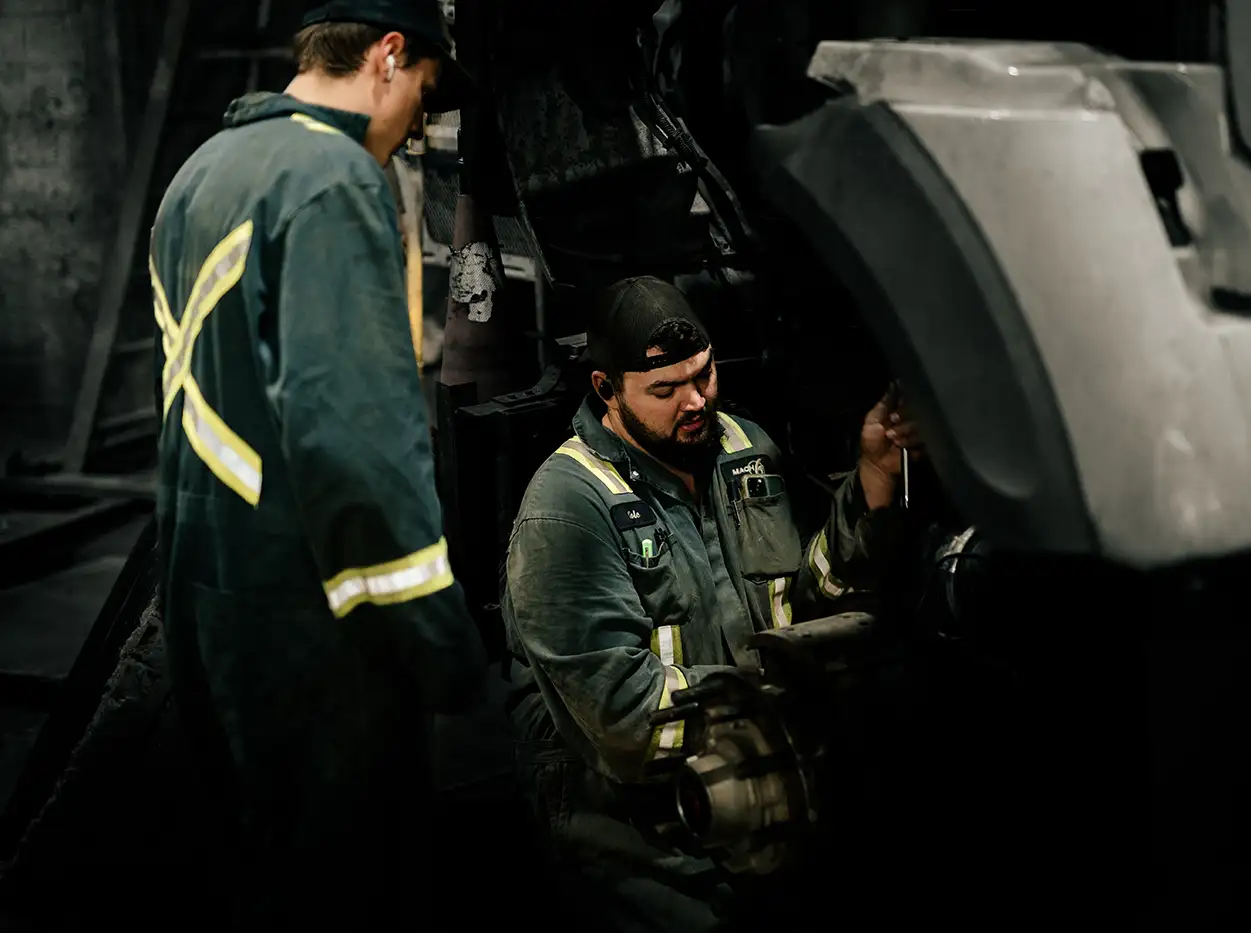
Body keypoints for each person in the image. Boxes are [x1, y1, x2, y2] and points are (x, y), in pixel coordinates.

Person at [148, 2, 483, 927]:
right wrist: (446, 652)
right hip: (317, 626)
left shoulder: (199, 173)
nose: (418, 122)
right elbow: (354, 442)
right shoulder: (333, 178)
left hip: (209, 600)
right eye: (423, 92)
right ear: (388, 55)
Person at [501, 275, 919, 931]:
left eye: (705, 374)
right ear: (607, 391)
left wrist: (872, 482)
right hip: (631, 822)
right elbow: (623, 718)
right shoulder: (568, 512)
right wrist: (782, 694)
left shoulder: (743, 450)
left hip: (757, 785)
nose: (696, 401)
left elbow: (810, 598)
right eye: (665, 391)